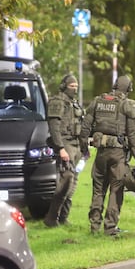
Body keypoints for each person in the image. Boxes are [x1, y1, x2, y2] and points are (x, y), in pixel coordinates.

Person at [79, 75, 135, 236]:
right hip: (118, 155)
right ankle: (110, 228)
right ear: (128, 89)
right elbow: (134, 135)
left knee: (98, 189)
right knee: (116, 189)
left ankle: (94, 227)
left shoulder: (98, 101)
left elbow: (85, 127)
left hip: (100, 153)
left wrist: (83, 149)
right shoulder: (127, 105)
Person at [43, 74, 84, 227]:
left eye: (76, 86)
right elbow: (54, 127)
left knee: (73, 184)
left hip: (76, 146)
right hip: (65, 145)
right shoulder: (57, 102)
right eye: (71, 86)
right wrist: (60, 148)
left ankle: (63, 217)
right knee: (66, 181)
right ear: (64, 86)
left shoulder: (75, 103)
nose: (75, 88)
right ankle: (51, 218)